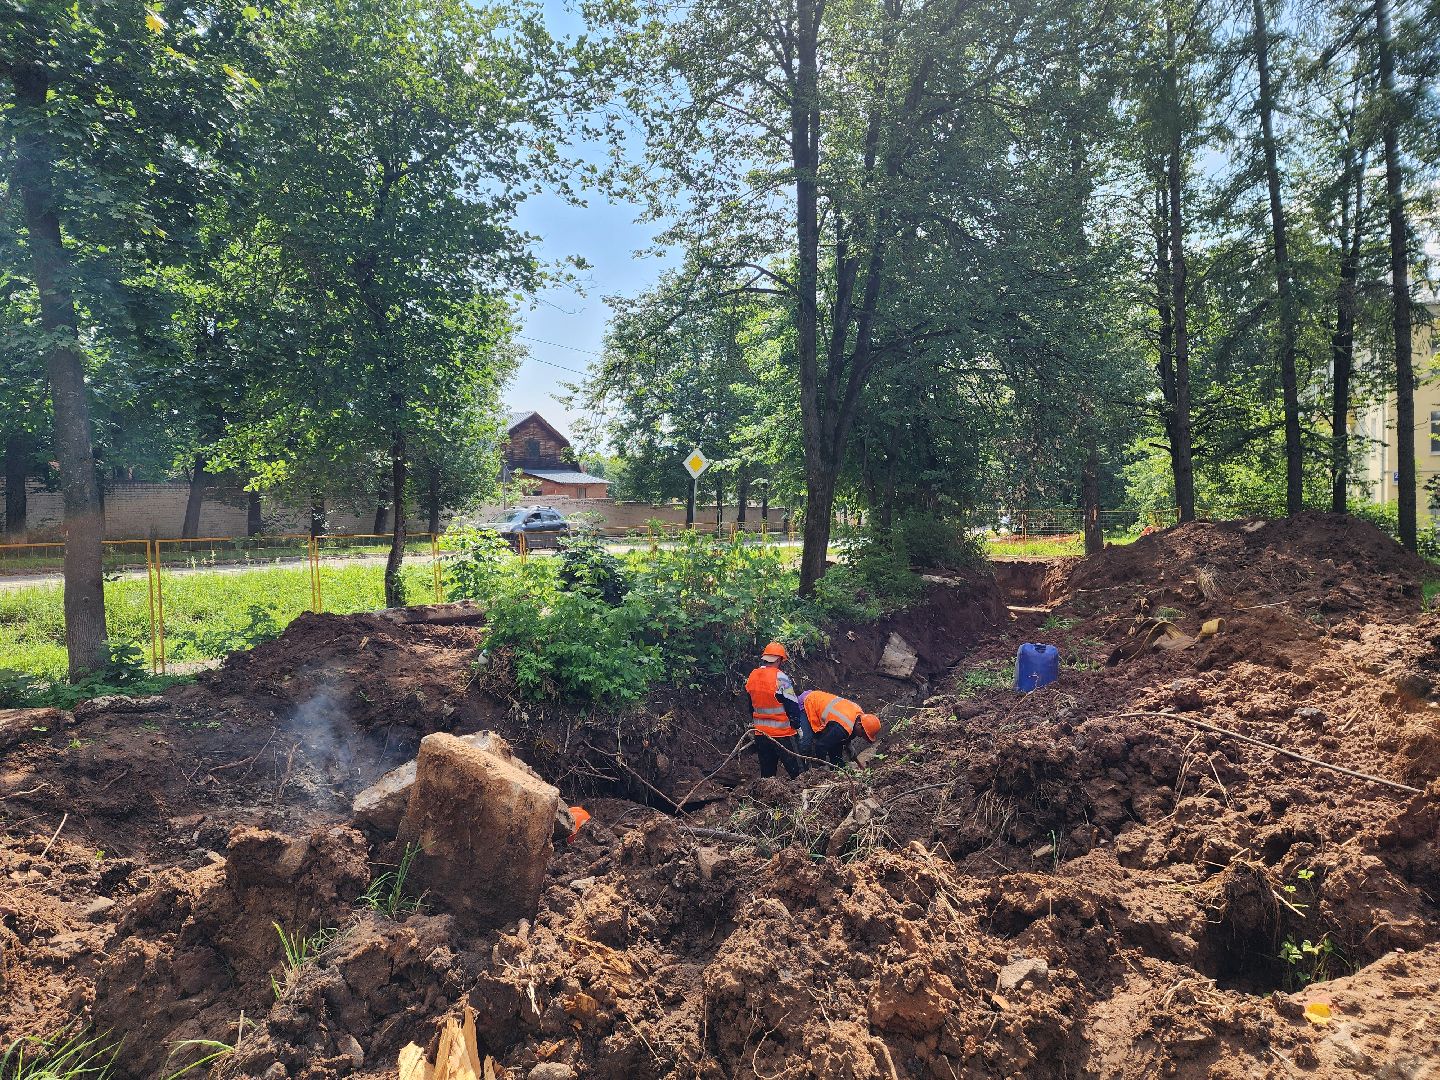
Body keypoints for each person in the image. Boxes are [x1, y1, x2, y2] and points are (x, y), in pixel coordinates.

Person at [744, 641, 807, 779]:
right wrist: (797, 726)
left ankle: (766, 799)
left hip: (761, 734)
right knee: (799, 774)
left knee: (767, 776)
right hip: (783, 734)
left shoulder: (753, 676)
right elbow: (792, 705)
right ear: (779, 660)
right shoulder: (780, 677)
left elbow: (751, 705)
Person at [800, 689, 881, 764]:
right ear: (859, 725)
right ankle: (802, 770)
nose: (860, 736)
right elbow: (820, 746)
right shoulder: (841, 727)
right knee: (806, 743)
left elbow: (840, 740)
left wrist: (848, 743)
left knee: (836, 749)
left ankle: (837, 768)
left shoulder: (859, 716)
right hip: (808, 703)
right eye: (862, 734)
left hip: (820, 704)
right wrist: (822, 766)